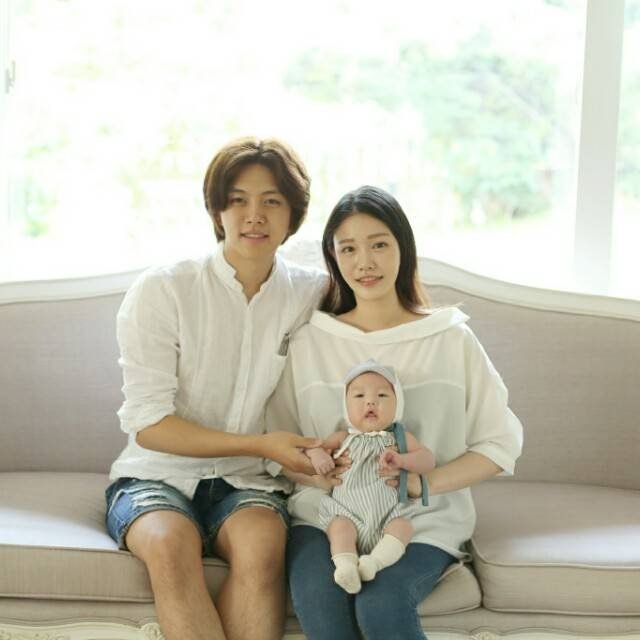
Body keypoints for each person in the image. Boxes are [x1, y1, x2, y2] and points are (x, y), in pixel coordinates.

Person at [266, 185, 523, 640]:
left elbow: (499, 444)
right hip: (326, 516)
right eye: (349, 249)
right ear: (334, 258)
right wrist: (315, 474)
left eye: (379, 244)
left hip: (421, 520)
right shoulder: (309, 341)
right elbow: (278, 443)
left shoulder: (450, 338)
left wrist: (425, 483)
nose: (365, 262)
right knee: (323, 600)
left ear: (404, 248)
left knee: (381, 603)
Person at [104, 137, 327, 640]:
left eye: (272, 201)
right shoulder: (164, 289)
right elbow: (149, 425)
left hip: (250, 482)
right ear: (216, 210)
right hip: (155, 475)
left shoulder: (312, 294)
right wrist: (260, 443)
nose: (254, 215)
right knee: (169, 545)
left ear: (294, 214)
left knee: (263, 548)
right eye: (238, 200)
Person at [305, 358, 436, 595]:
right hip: (348, 512)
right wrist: (318, 456)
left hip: (390, 514)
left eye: (382, 395)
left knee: (403, 527)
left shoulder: (399, 439)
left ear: (398, 404)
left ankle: (373, 564)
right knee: (339, 528)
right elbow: (311, 448)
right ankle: (345, 567)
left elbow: (428, 460)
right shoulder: (343, 438)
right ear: (345, 406)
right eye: (359, 396)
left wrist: (403, 461)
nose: (370, 401)